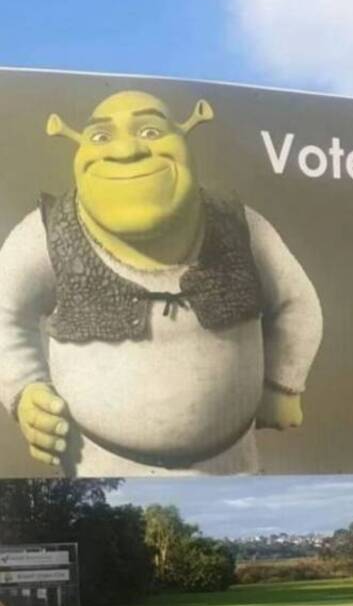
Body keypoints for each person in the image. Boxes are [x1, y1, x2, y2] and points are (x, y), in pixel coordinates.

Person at [0, 90, 323, 476]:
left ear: (184, 138)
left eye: (150, 131)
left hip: (234, 466)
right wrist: (25, 389)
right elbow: (4, 312)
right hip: (97, 470)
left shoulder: (238, 224)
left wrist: (283, 382)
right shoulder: (47, 233)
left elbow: (296, 301)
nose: (126, 151)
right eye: (101, 136)